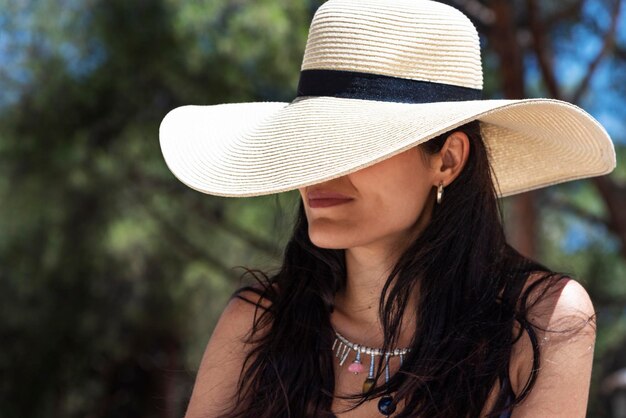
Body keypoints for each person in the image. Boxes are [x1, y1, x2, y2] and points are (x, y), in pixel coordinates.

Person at [159, 0, 616, 416]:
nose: (319, 170)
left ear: (449, 159)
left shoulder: (540, 323)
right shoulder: (258, 324)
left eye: (355, 144)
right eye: (307, 142)